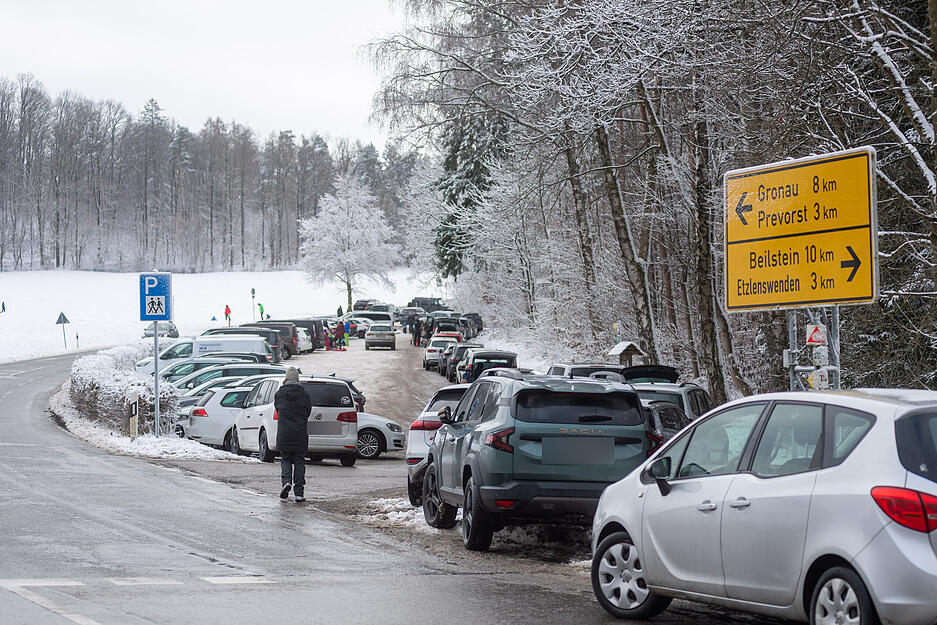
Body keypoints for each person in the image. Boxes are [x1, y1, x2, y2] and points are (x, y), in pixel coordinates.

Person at [274, 367, 311, 503]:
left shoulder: (279, 394)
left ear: (286, 378)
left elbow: (277, 409)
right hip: (300, 433)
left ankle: (286, 482)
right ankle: (299, 493)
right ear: (297, 379)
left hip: (284, 433)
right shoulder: (304, 394)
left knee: (285, 459)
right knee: (299, 462)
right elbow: (308, 411)